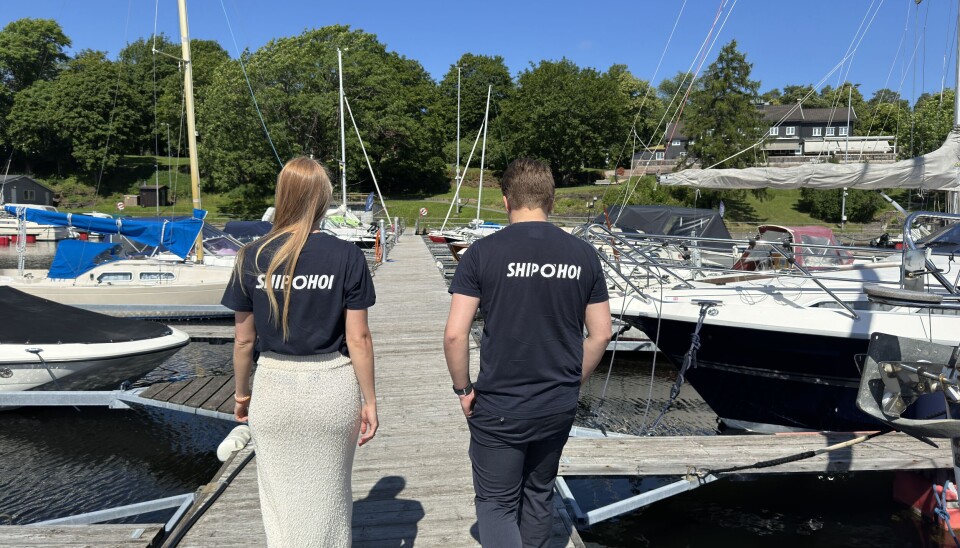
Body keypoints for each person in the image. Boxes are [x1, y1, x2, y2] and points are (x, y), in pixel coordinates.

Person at [443, 158, 612, 547]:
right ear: (550, 201)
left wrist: (463, 389)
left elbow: (455, 335)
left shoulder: (481, 254)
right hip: (556, 404)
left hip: (500, 405)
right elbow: (600, 335)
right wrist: (570, 380)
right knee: (538, 496)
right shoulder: (583, 255)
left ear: (505, 201)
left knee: (497, 504)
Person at [221, 156, 378, 547]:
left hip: (274, 386)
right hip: (332, 388)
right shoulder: (348, 257)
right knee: (331, 500)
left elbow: (243, 340)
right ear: (323, 200)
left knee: (281, 504)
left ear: (282, 196)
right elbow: (358, 339)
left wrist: (242, 395)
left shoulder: (250, 257)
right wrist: (370, 401)